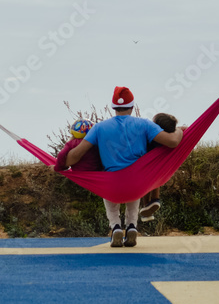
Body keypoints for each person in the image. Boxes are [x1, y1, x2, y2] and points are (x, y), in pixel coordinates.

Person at [64, 87, 183, 247]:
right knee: (134, 195)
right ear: (132, 107)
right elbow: (173, 142)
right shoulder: (145, 124)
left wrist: (60, 164)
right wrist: (180, 131)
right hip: (137, 184)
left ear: (113, 107)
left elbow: (75, 156)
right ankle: (132, 226)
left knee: (110, 199)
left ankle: (115, 228)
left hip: (112, 184)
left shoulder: (99, 128)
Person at [139, 112, 179, 222]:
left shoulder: (152, 137)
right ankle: (155, 200)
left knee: (145, 186)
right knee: (155, 181)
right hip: (158, 166)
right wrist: (180, 129)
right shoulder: (166, 139)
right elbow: (184, 129)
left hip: (145, 165)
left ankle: (146, 205)